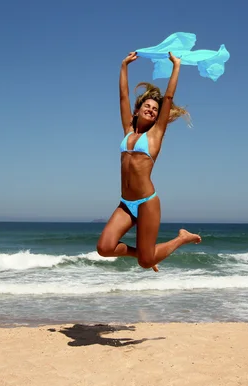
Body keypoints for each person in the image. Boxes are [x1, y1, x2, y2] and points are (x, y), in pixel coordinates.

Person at [96, 51, 202, 272]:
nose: (152, 110)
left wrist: (176, 66)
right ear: (137, 110)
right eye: (148, 106)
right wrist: (124, 66)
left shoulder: (155, 136)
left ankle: (181, 238)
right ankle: (147, 254)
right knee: (104, 248)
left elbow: (169, 98)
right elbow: (123, 97)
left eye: (155, 109)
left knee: (145, 263)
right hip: (125, 203)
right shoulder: (127, 130)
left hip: (146, 202)